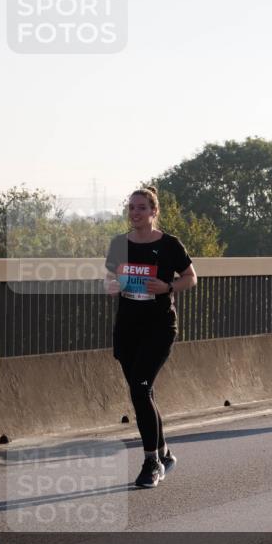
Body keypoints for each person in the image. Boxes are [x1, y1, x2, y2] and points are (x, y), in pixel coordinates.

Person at [105, 186, 197, 488]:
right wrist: (113, 284)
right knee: (141, 391)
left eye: (142, 208)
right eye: (131, 207)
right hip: (128, 328)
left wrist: (168, 287)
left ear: (154, 212)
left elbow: (191, 278)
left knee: (141, 389)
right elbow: (109, 278)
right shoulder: (119, 244)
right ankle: (165, 452)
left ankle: (151, 461)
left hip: (159, 327)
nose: (135, 213)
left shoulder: (170, 244)